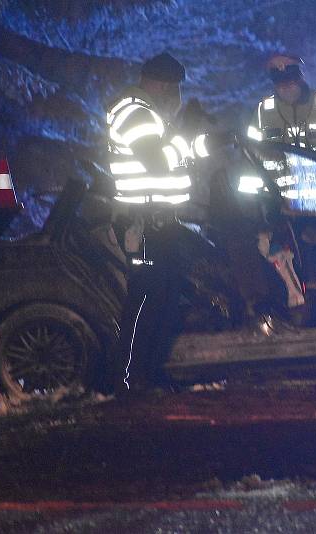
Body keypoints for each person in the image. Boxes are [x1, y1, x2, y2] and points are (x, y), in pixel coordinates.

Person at [106, 52, 198, 393]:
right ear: (157, 84)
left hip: (162, 223)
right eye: (172, 89)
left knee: (164, 300)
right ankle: (127, 377)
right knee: (144, 299)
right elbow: (158, 162)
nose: (176, 96)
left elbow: (178, 157)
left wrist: (198, 140)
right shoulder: (133, 113)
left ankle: (151, 373)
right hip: (143, 224)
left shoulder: (154, 116)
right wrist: (184, 136)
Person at [247, 53, 316, 176]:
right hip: (278, 193)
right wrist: (252, 194)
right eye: (279, 80)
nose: (286, 86)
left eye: (290, 78)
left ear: (300, 78)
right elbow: (251, 155)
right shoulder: (262, 111)